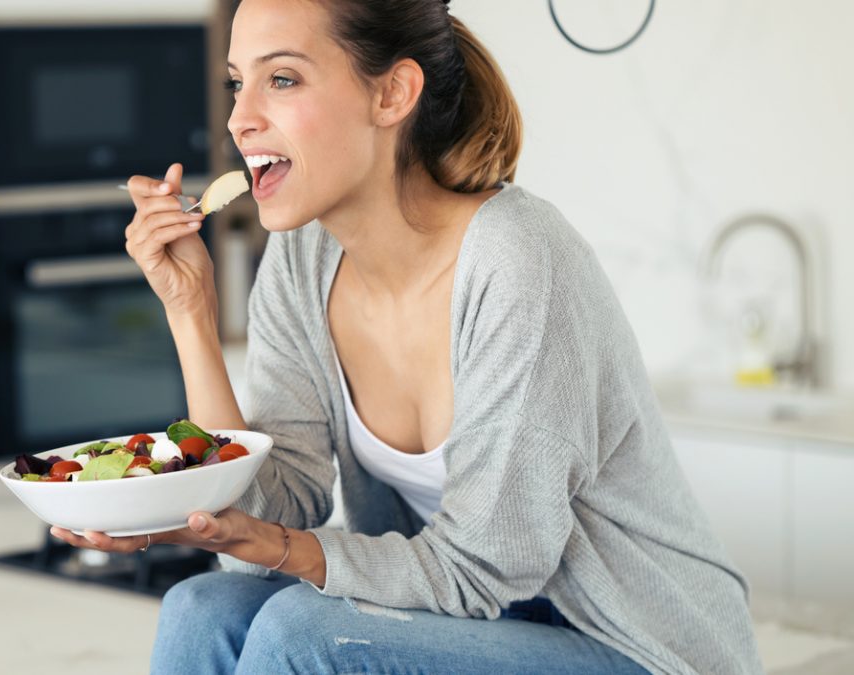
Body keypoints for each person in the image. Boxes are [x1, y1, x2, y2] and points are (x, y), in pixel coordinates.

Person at [48, 0, 764, 672]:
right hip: (484, 622)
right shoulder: (304, 261)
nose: (241, 119)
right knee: (200, 606)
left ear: (391, 95)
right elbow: (261, 521)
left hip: (635, 646)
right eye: (238, 83)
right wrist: (190, 310)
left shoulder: (519, 261)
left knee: (301, 633)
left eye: (283, 78)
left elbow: (483, 565)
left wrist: (276, 544)